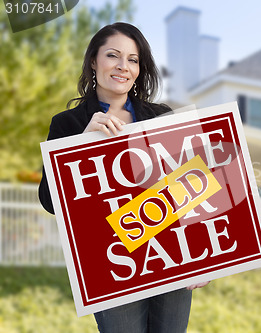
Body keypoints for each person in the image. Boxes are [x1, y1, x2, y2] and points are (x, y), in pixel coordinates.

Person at [38, 22, 208, 333]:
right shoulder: (68, 123)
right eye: (113, 55)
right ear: (94, 61)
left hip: (170, 254)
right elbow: (50, 201)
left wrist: (198, 258)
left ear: (140, 68)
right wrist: (81, 144)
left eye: (132, 59)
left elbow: (188, 190)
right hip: (111, 262)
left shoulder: (160, 116)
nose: (123, 66)